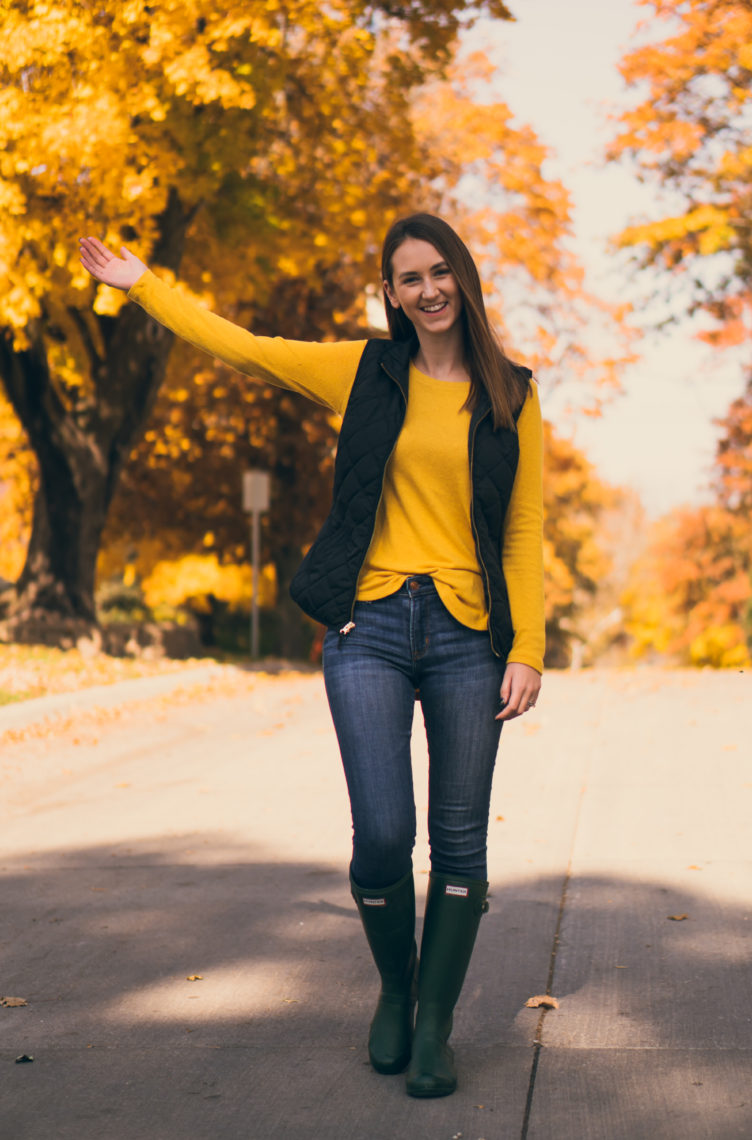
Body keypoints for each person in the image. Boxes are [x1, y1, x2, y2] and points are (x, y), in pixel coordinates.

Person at [78, 214, 544, 1098]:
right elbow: (245, 347)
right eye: (409, 279)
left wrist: (528, 648)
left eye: (440, 272)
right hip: (366, 626)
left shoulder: (512, 395)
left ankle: (436, 1027)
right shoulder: (363, 371)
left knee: (458, 841)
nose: (428, 290)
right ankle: (397, 992)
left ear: (464, 279)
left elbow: (523, 531)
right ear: (392, 294)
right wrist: (144, 285)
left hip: (467, 638)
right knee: (383, 835)